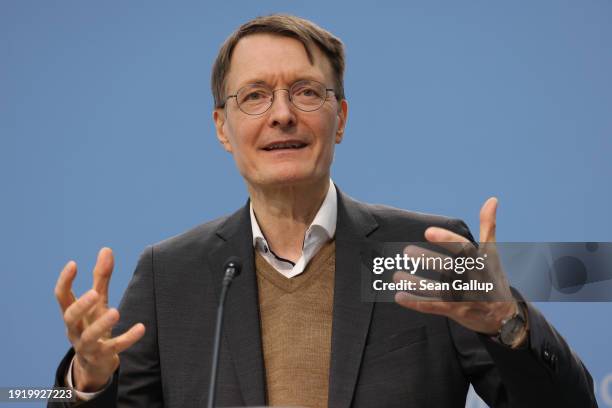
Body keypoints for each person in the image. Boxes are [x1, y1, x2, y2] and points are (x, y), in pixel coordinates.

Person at [50, 14, 597, 408]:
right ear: (222, 127)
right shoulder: (170, 276)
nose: (282, 115)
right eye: (255, 96)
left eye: (307, 92)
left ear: (340, 118)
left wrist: (509, 322)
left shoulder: (421, 253)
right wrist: (88, 382)